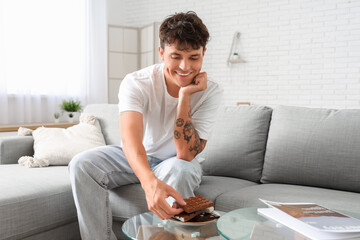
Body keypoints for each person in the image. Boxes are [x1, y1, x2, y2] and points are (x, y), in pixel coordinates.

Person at [68, 11, 223, 240]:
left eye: (193, 57)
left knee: (180, 170)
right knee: (81, 164)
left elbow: (185, 153)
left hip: (176, 162)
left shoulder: (211, 91)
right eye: (176, 56)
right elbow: (130, 141)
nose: (184, 66)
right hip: (136, 156)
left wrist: (184, 97)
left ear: (203, 54)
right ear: (161, 52)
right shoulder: (137, 82)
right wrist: (149, 183)